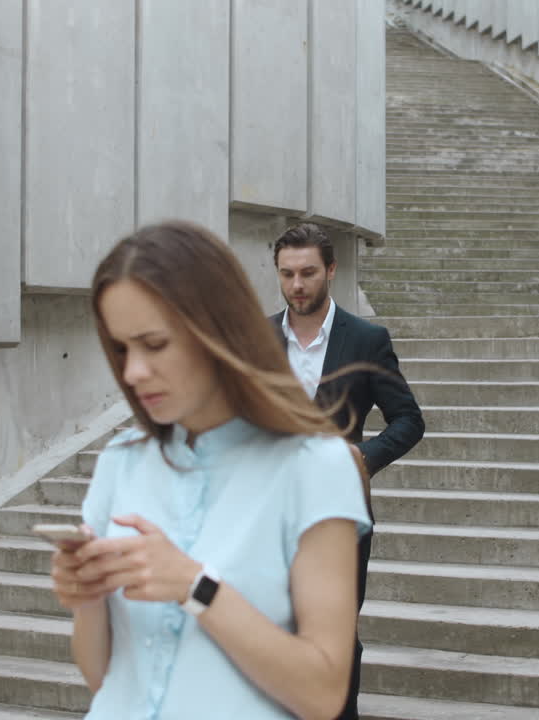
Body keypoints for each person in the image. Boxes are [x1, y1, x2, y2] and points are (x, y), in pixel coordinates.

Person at [50, 221, 372, 719]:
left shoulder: (315, 468)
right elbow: (103, 678)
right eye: (121, 349)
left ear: (218, 330)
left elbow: (324, 693)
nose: (133, 371)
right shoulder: (121, 461)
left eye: (154, 344)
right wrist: (88, 600)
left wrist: (195, 586)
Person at [269, 222, 425, 720]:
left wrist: (365, 457)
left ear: (331, 270)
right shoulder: (257, 338)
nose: (297, 284)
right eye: (287, 274)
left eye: (308, 273)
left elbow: (409, 420)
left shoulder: (366, 339)